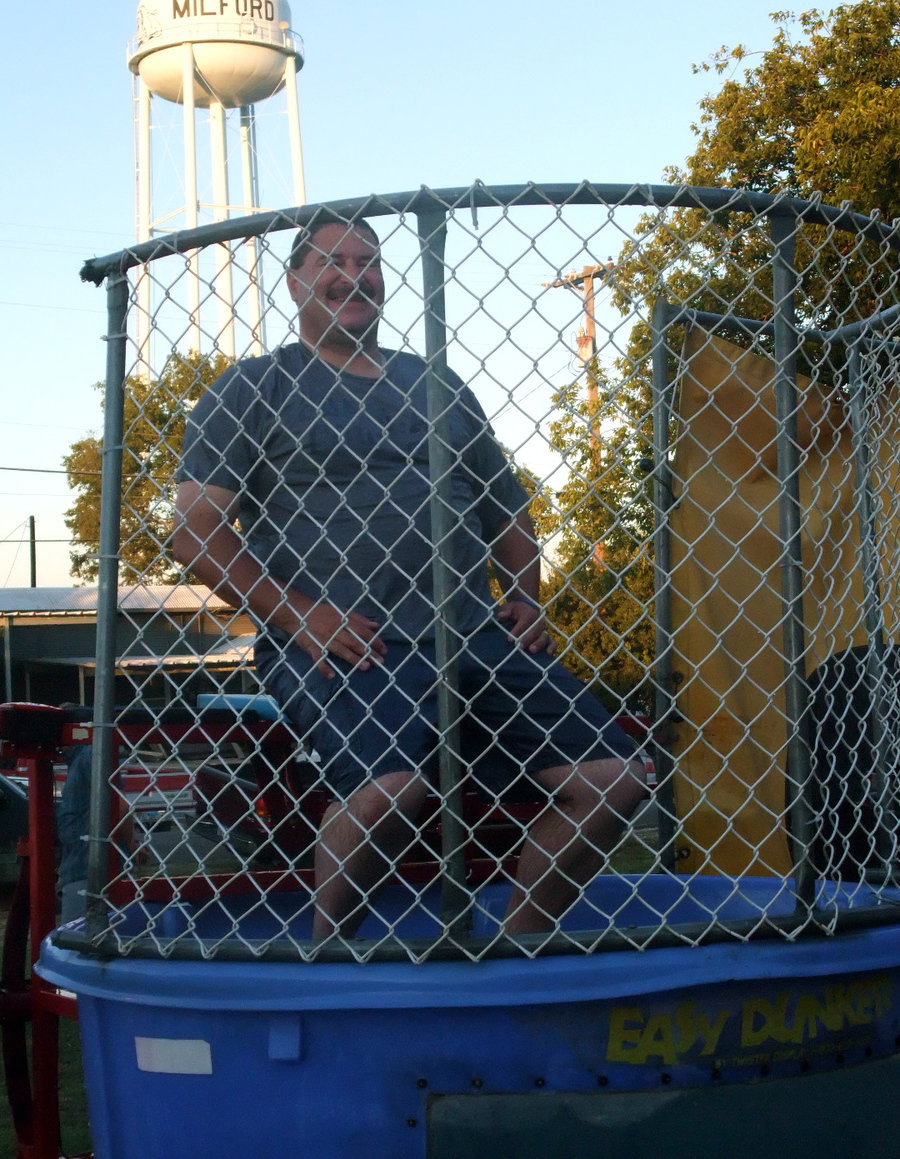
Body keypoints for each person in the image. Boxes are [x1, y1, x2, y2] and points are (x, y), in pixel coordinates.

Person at [172, 213, 644, 939]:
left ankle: (516, 955)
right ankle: (327, 958)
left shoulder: (437, 385)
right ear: (295, 282)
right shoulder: (254, 388)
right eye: (331, 260)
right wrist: (300, 616)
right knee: (389, 793)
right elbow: (194, 530)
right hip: (350, 644)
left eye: (368, 260)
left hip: (475, 637)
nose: (352, 274)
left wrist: (525, 596)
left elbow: (507, 509)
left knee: (616, 782)